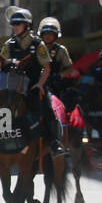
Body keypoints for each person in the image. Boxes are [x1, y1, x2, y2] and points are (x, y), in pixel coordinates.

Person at [0, 6, 57, 152]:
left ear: (27, 25)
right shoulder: (8, 44)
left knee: (48, 109)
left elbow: (46, 67)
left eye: (18, 24)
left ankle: (54, 142)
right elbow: (1, 66)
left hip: (32, 86)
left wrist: (40, 84)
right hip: (12, 86)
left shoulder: (38, 44)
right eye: (13, 24)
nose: (15, 27)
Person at [34, 17, 71, 155]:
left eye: (51, 34)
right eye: (45, 33)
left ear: (55, 36)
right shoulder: (36, 47)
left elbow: (69, 68)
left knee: (61, 108)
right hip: (37, 84)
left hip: (55, 85)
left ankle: (60, 139)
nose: (47, 36)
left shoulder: (61, 50)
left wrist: (60, 76)